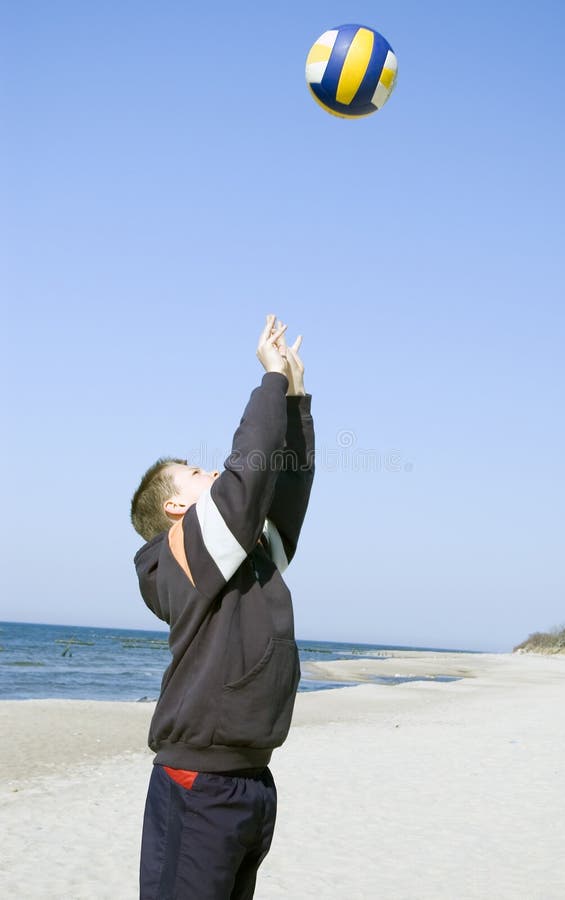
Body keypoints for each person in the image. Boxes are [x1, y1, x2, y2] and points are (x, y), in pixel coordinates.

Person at [130, 315, 315, 900]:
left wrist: (296, 399)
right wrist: (267, 381)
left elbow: (281, 496)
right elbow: (249, 467)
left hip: (251, 782)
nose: (210, 472)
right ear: (177, 510)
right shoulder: (183, 553)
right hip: (199, 784)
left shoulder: (241, 552)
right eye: (194, 473)